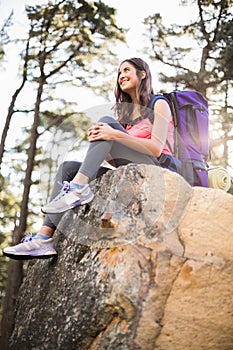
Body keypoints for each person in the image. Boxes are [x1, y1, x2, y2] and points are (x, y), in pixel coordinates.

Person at [3, 57, 175, 260]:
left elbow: (156, 148)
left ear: (143, 74)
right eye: (119, 73)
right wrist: (104, 143)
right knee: (68, 167)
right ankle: (44, 238)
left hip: (156, 170)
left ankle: (77, 188)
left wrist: (114, 135)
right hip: (131, 171)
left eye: (126, 70)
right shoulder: (126, 121)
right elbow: (116, 162)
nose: (121, 76)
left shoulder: (159, 103)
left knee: (106, 123)